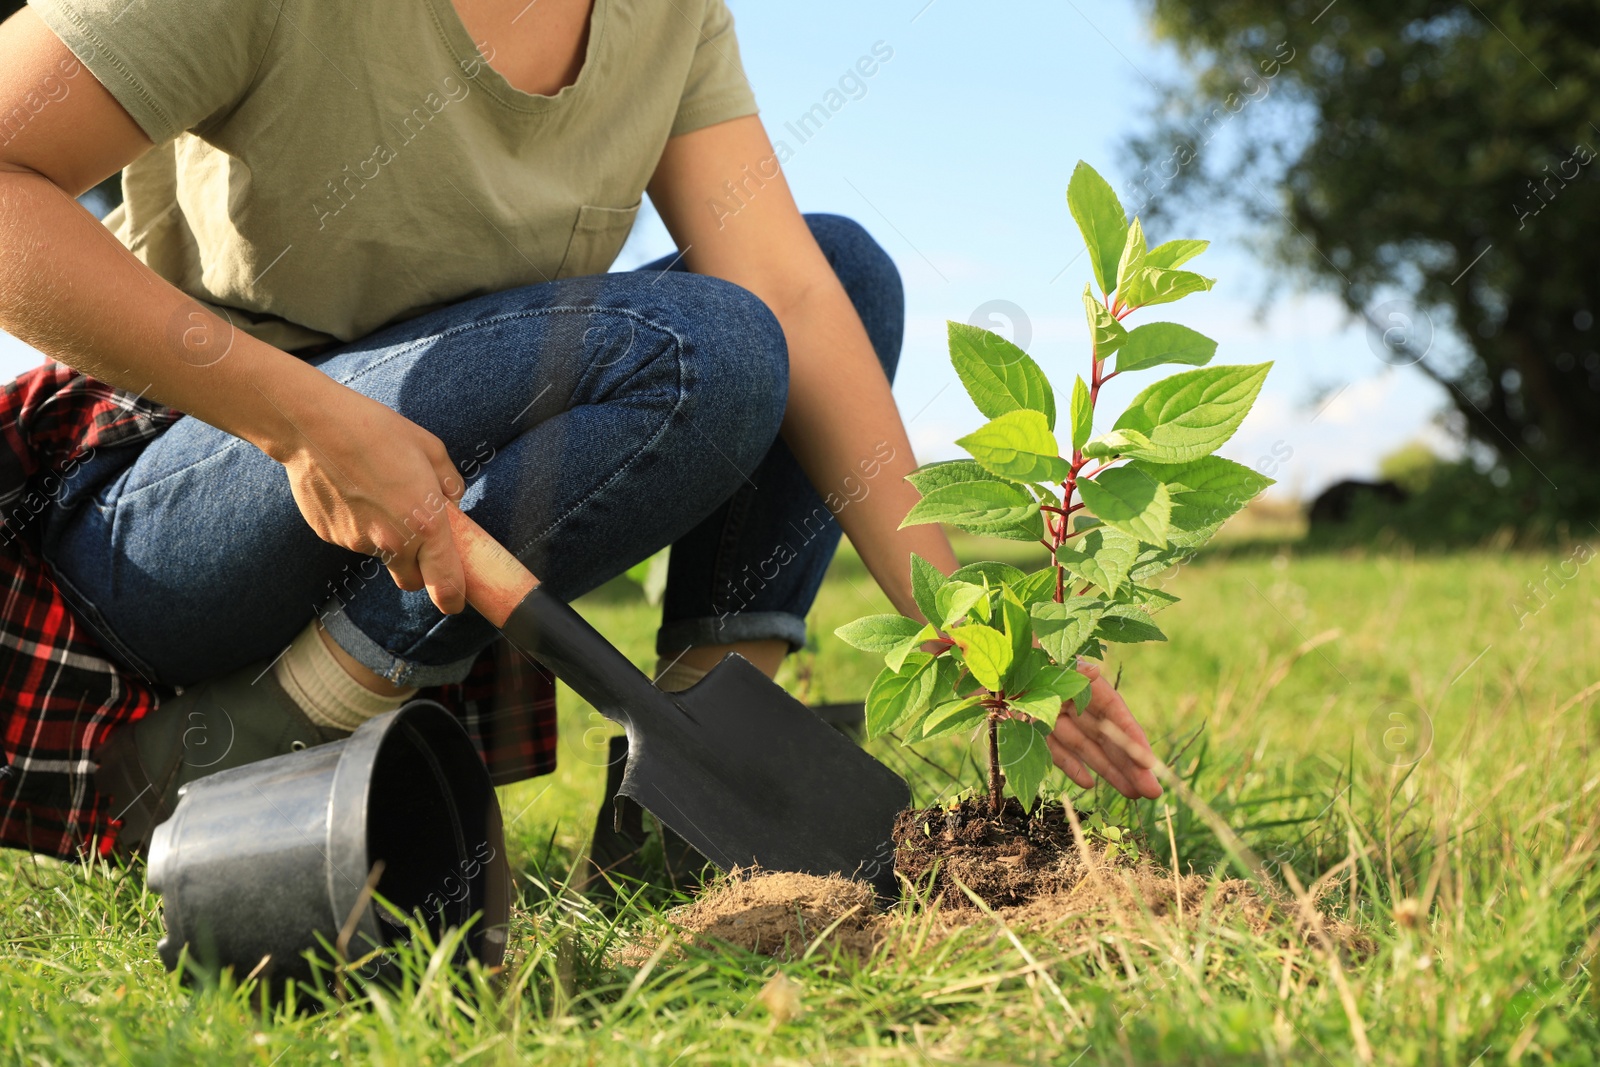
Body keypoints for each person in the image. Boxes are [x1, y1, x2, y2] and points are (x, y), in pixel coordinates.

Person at [0, 0, 1161, 863]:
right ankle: (234, 740)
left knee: (839, 274)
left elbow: (797, 298)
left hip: (444, 503)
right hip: (191, 494)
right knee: (704, 345)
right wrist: (298, 419)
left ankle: (690, 810)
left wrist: (984, 633)